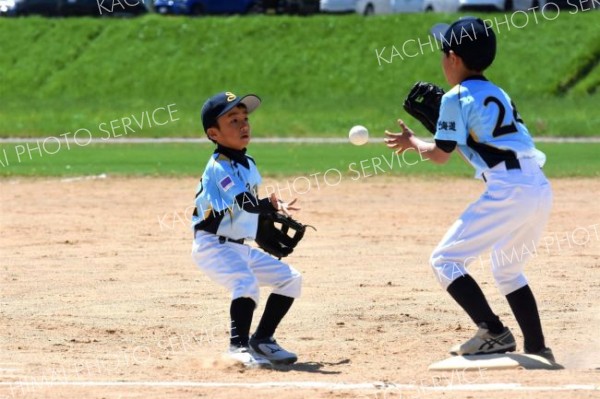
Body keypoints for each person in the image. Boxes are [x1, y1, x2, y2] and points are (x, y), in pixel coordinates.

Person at [384, 18, 554, 361]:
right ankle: (537, 347)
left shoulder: (455, 97)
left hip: (509, 190)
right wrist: (449, 132)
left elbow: (439, 157)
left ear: (453, 58)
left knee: (444, 260)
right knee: (507, 268)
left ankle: (493, 331)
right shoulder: (497, 92)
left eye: (443, 54)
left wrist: (413, 141)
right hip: (537, 185)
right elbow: (481, 153)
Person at [191, 91, 302, 368]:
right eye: (233, 121)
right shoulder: (218, 167)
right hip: (212, 246)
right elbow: (246, 202)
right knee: (246, 284)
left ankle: (262, 339)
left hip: (238, 246)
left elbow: (246, 210)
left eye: (244, 118)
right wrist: (268, 206)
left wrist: (265, 216)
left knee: (291, 280)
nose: (243, 125)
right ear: (213, 133)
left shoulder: (248, 163)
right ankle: (237, 348)